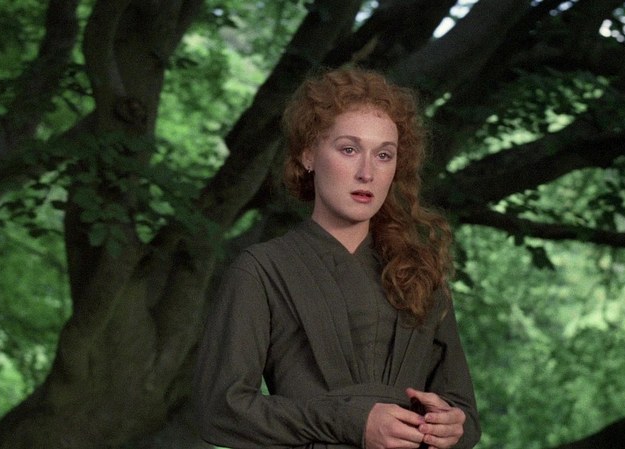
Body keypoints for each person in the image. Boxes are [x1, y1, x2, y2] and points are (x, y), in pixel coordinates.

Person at [193, 67, 480, 449]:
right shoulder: (261, 270)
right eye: (349, 149)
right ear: (308, 154)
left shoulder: (419, 272)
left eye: (384, 155)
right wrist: (350, 421)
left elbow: (464, 414)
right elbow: (220, 411)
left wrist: (452, 426)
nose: (367, 172)